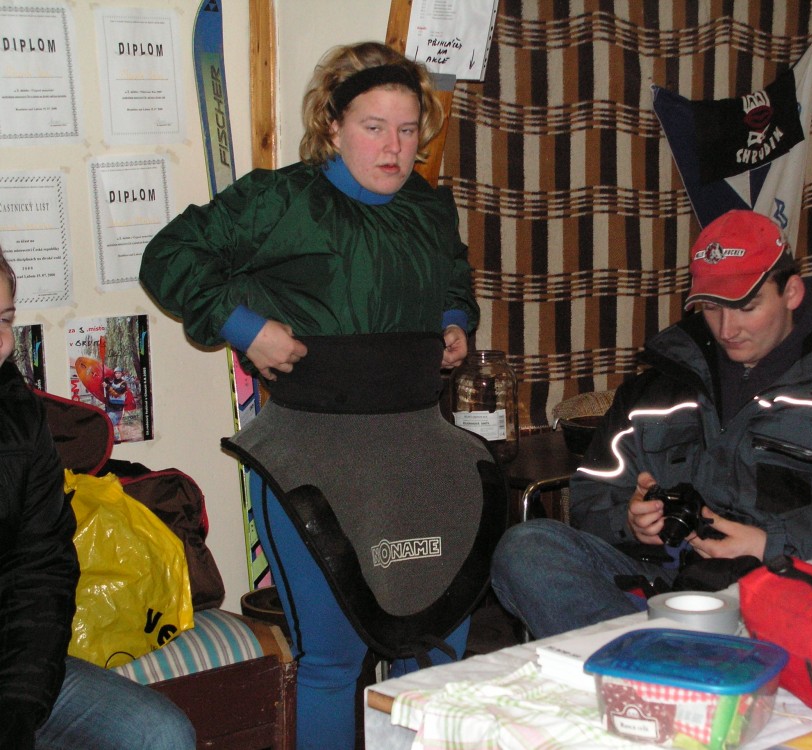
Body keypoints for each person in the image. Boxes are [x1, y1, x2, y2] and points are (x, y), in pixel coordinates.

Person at [139, 42, 505, 749]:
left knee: (433, 648)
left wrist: (454, 320)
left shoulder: (428, 208)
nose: (394, 147)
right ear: (333, 126)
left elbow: (452, 278)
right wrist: (245, 328)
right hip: (314, 455)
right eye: (374, 127)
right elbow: (169, 256)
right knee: (333, 662)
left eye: (408, 130)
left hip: (421, 455)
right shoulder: (280, 201)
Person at [491, 209, 812, 639]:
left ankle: (654, 659)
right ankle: (661, 658)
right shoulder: (657, 388)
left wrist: (772, 543)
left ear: (791, 292)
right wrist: (630, 522)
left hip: (794, 587)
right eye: (712, 307)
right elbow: (591, 496)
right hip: (663, 585)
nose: (728, 328)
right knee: (526, 546)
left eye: (747, 306)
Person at [0, 247, 195, 749]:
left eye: (3, 319)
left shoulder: (18, 416)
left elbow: (40, 569)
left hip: (13, 670)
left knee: (161, 734)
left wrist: (19, 705)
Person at [103, 368, 128, 441]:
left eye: (119, 373)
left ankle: (119, 439)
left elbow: (117, 393)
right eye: (116, 373)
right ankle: (113, 438)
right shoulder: (112, 382)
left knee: (116, 424)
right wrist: (104, 380)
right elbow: (107, 385)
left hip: (118, 407)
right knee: (109, 422)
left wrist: (107, 386)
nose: (117, 375)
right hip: (110, 406)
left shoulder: (124, 384)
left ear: (121, 374)